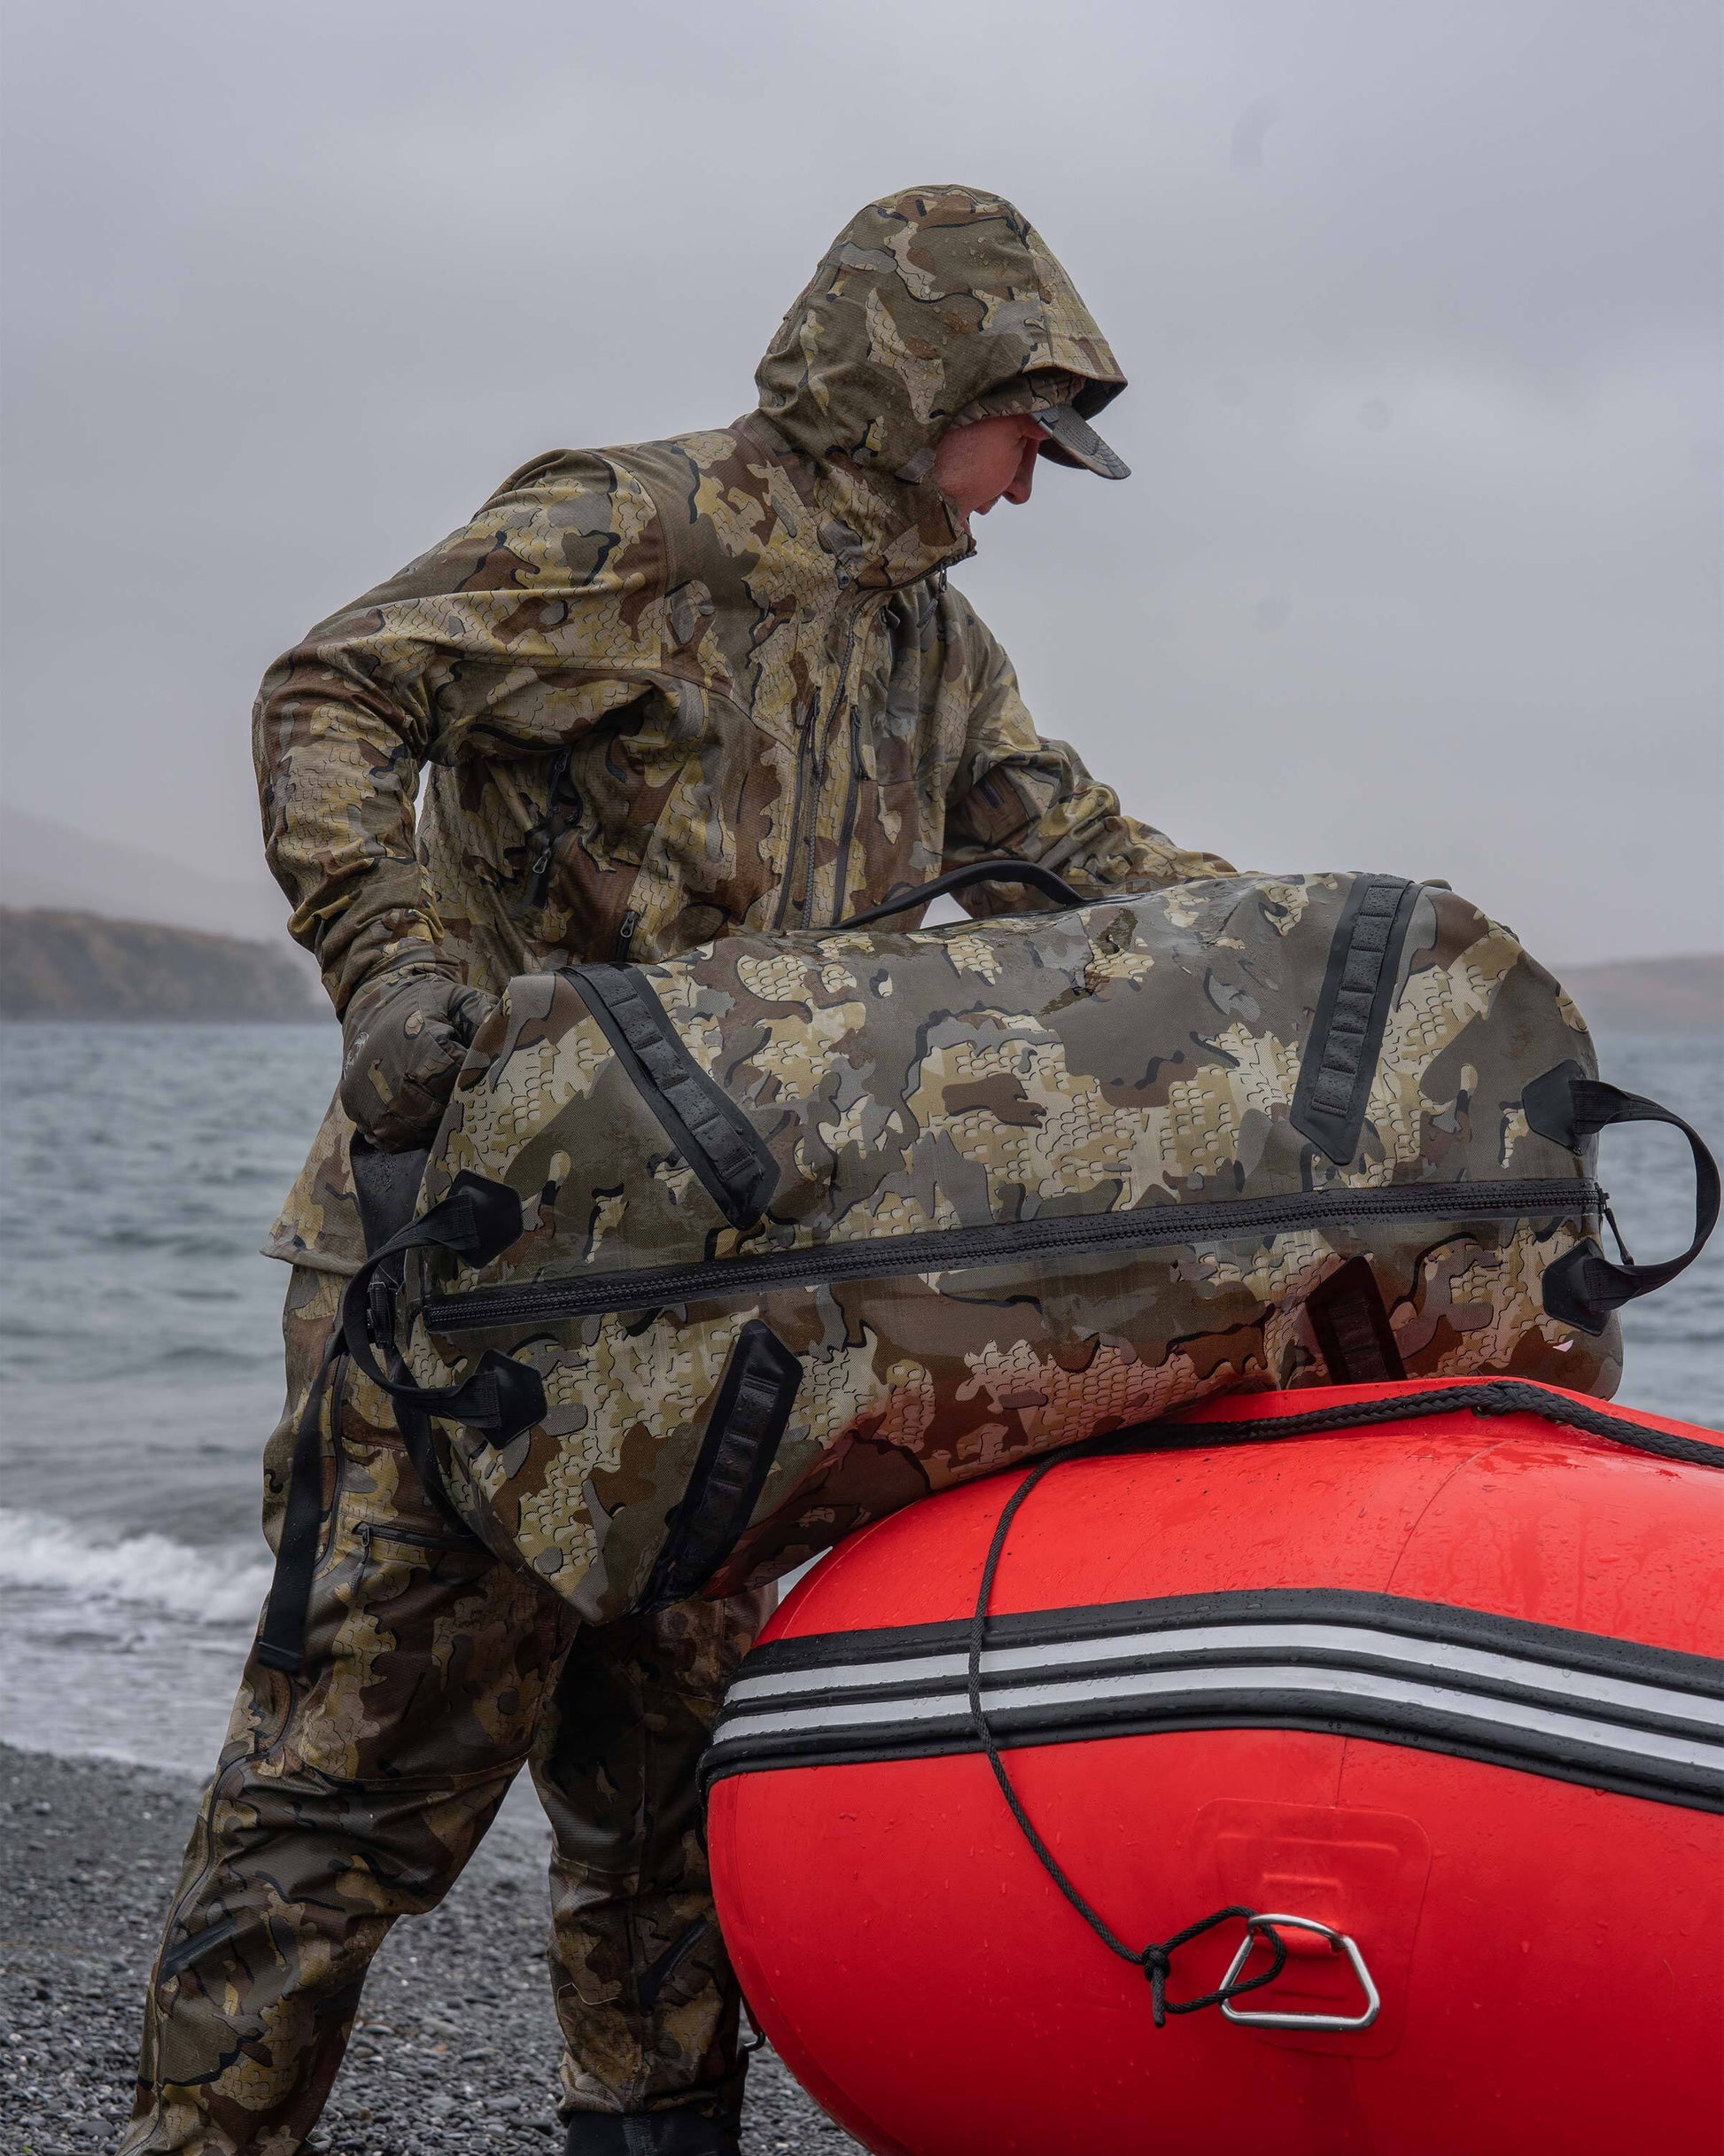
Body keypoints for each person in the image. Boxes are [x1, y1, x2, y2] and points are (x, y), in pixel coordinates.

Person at [123, 183, 1232, 2156]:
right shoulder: (630, 531)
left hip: (723, 1317)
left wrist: (1333, 963)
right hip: (468, 1278)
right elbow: (335, 689)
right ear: (922, 384)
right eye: (1021, 437)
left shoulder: (930, 649)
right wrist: (395, 970)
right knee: (344, 1800)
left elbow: (1073, 861)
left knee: (673, 1806)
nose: (1024, 488)